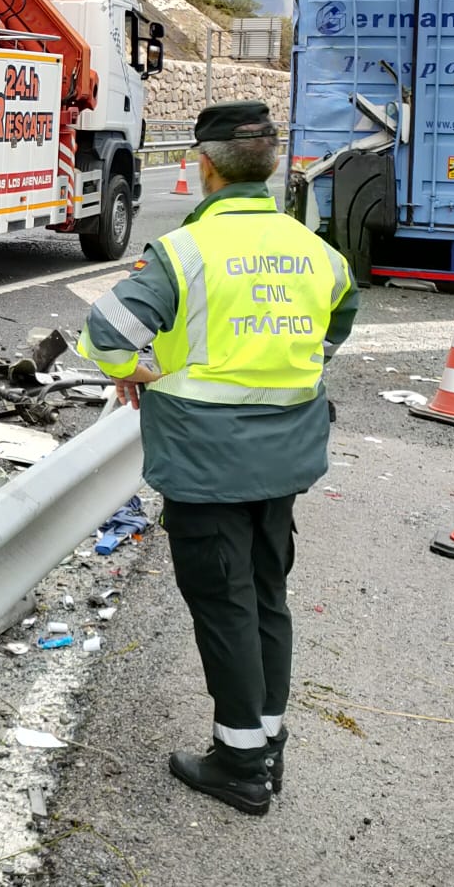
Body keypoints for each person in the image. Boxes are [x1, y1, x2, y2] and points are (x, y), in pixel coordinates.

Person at [77, 101, 356, 814]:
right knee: (266, 596)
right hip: (285, 459)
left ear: (203, 166)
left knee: (223, 605)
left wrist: (138, 374)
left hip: (206, 463)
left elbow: (106, 332)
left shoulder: (186, 252)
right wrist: (296, 363)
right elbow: (338, 320)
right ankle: (267, 744)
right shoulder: (316, 253)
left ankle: (239, 765)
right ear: (271, 168)